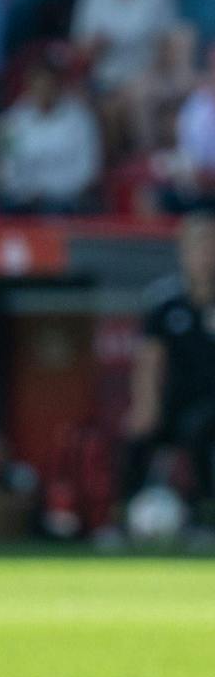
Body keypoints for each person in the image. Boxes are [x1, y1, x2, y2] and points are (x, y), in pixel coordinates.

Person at [124, 215, 215, 514]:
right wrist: (145, 406)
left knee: (199, 430)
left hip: (210, 404)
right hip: (177, 400)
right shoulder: (166, 302)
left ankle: (205, 510)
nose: (207, 257)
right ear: (184, 253)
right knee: (138, 435)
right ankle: (125, 515)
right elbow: (149, 360)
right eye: (200, 248)